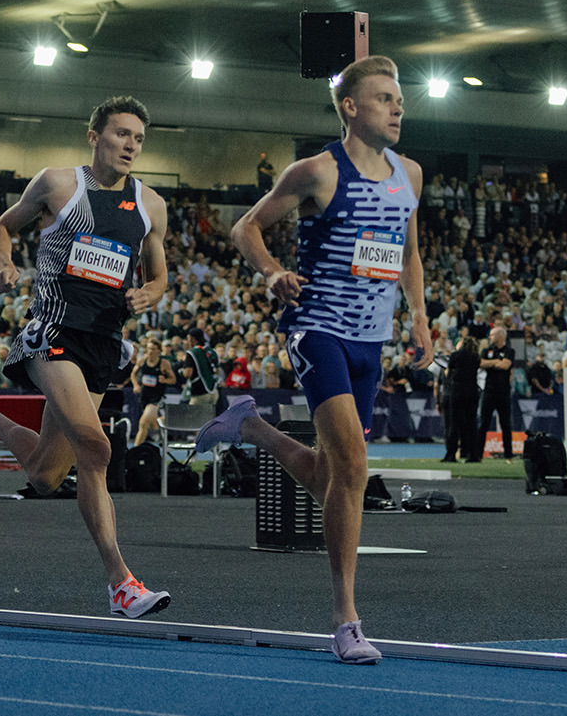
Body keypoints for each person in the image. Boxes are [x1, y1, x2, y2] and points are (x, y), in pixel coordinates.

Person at [196, 56, 431, 663]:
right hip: (317, 328)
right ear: (350, 107)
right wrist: (273, 273)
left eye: (399, 99)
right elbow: (245, 227)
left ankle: (247, 425)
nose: (398, 107)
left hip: (370, 341)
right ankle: (346, 620)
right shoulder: (317, 172)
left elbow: (408, 254)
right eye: (384, 98)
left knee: (332, 476)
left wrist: (422, 320)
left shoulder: (411, 174)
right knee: (353, 468)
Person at [0, 95, 172, 619]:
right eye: (121, 134)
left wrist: (150, 293)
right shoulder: (58, 184)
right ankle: (121, 583)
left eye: (138, 138)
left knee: (47, 474)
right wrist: (3, 262)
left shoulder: (151, 205)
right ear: (95, 136)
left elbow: (160, 275)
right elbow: (0, 228)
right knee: (95, 447)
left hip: (102, 344)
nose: (130, 145)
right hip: (53, 332)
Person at [438, 335, 482, 463]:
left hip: (457, 392)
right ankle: (473, 454)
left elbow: (448, 372)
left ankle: (451, 454)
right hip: (472, 391)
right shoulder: (476, 356)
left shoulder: (455, 355)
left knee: (454, 424)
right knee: (471, 424)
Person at [476, 326, 515, 460]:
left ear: (501, 336)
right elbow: (480, 363)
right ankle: (478, 453)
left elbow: (505, 365)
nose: (490, 337)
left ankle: (509, 455)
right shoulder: (487, 350)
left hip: (503, 392)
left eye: (492, 335)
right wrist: (496, 362)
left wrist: (491, 364)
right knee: (483, 423)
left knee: (506, 424)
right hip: (489, 391)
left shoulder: (509, 351)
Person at [130, 338, 175, 446]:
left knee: (143, 423)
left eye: (153, 349)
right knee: (153, 425)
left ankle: (134, 451)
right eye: (149, 349)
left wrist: (165, 380)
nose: (150, 351)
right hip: (144, 396)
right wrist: (136, 385)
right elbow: (133, 374)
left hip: (156, 397)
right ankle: (163, 422)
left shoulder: (164, 364)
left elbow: (173, 380)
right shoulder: (143, 360)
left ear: (158, 351)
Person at [179, 327, 220, 408]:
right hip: (214, 392)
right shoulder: (212, 351)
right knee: (207, 419)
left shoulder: (192, 353)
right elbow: (216, 370)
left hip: (199, 394)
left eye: (188, 338)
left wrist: (181, 371)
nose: (186, 341)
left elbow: (188, 373)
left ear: (193, 339)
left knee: (192, 419)